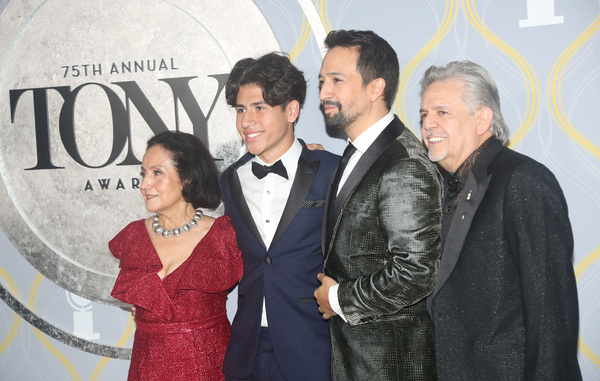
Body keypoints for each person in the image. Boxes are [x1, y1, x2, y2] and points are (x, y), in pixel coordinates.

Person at [419, 60, 582, 380]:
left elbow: (551, 316)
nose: (428, 125)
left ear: (482, 119)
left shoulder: (524, 180)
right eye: (424, 114)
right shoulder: (438, 186)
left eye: (442, 112)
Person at [314, 29, 442, 380]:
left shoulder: (403, 163)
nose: (324, 92)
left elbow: (416, 274)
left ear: (376, 88)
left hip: (392, 364)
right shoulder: (357, 152)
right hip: (356, 359)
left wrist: (338, 299)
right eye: (322, 81)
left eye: (337, 80)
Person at [220, 52, 338, 381]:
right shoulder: (229, 179)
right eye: (241, 110)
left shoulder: (333, 172)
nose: (246, 121)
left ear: (291, 110)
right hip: (247, 350)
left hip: (311, 346)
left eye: (259, 108)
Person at [110, 131, 243, 380]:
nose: (144, 184)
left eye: (156, 173)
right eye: (143, 173)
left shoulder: (223, 237)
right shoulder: (133, 237)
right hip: (147, 369)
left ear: (188, 179)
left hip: (209, 368)